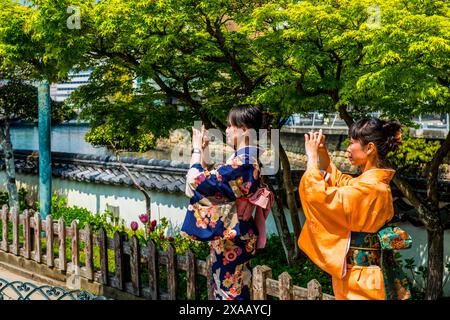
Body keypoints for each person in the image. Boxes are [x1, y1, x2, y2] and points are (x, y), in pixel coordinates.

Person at [298, 118, 411, 300]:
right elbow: (343, 182)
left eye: (353, 142)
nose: (348, 148)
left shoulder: (372, 187)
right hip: (358, 274)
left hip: (363, 277)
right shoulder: (369, 183)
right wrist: (322, 154)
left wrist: (311, 158)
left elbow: (321, 196)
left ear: (369, 148)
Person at [181, 105, 273, 300]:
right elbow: (210, 182)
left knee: (232, 294)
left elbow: (196, 181)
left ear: (245, 130)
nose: (227, 130)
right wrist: (204, 150)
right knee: (227, 290)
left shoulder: (244, 161)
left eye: (231, 125)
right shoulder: (243, 158)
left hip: (235, 236)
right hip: (233, 234)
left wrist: (197, 148)